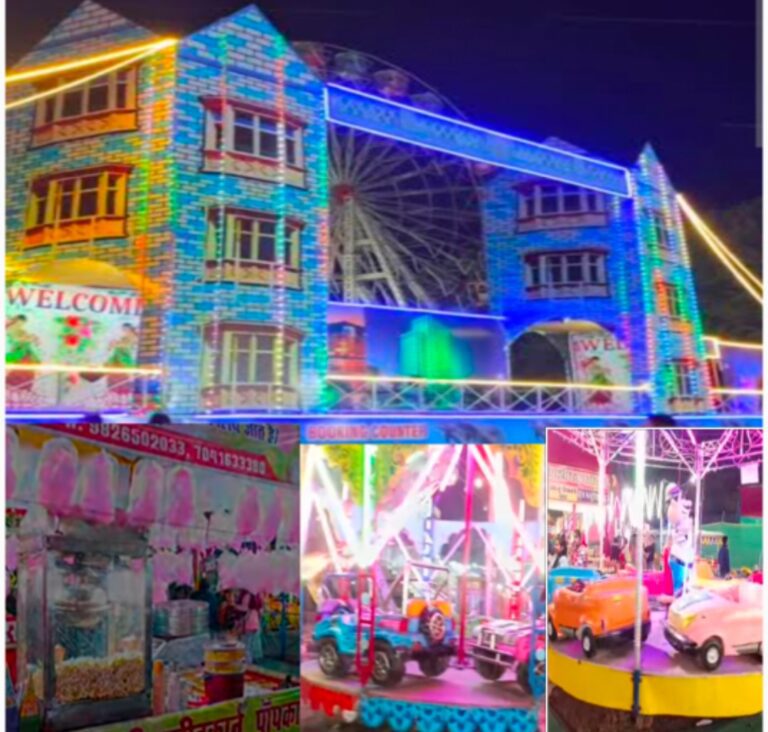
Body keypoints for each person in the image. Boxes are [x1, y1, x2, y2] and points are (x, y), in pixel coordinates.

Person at [242, 593, 264, 665]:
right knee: (252, 644)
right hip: (256, 624)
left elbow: (245, 612)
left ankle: (248, 662)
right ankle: (253, 659)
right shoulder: (259, 597)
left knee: (247, 645)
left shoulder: (247, 596)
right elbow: (261, 613)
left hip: (249, 625)